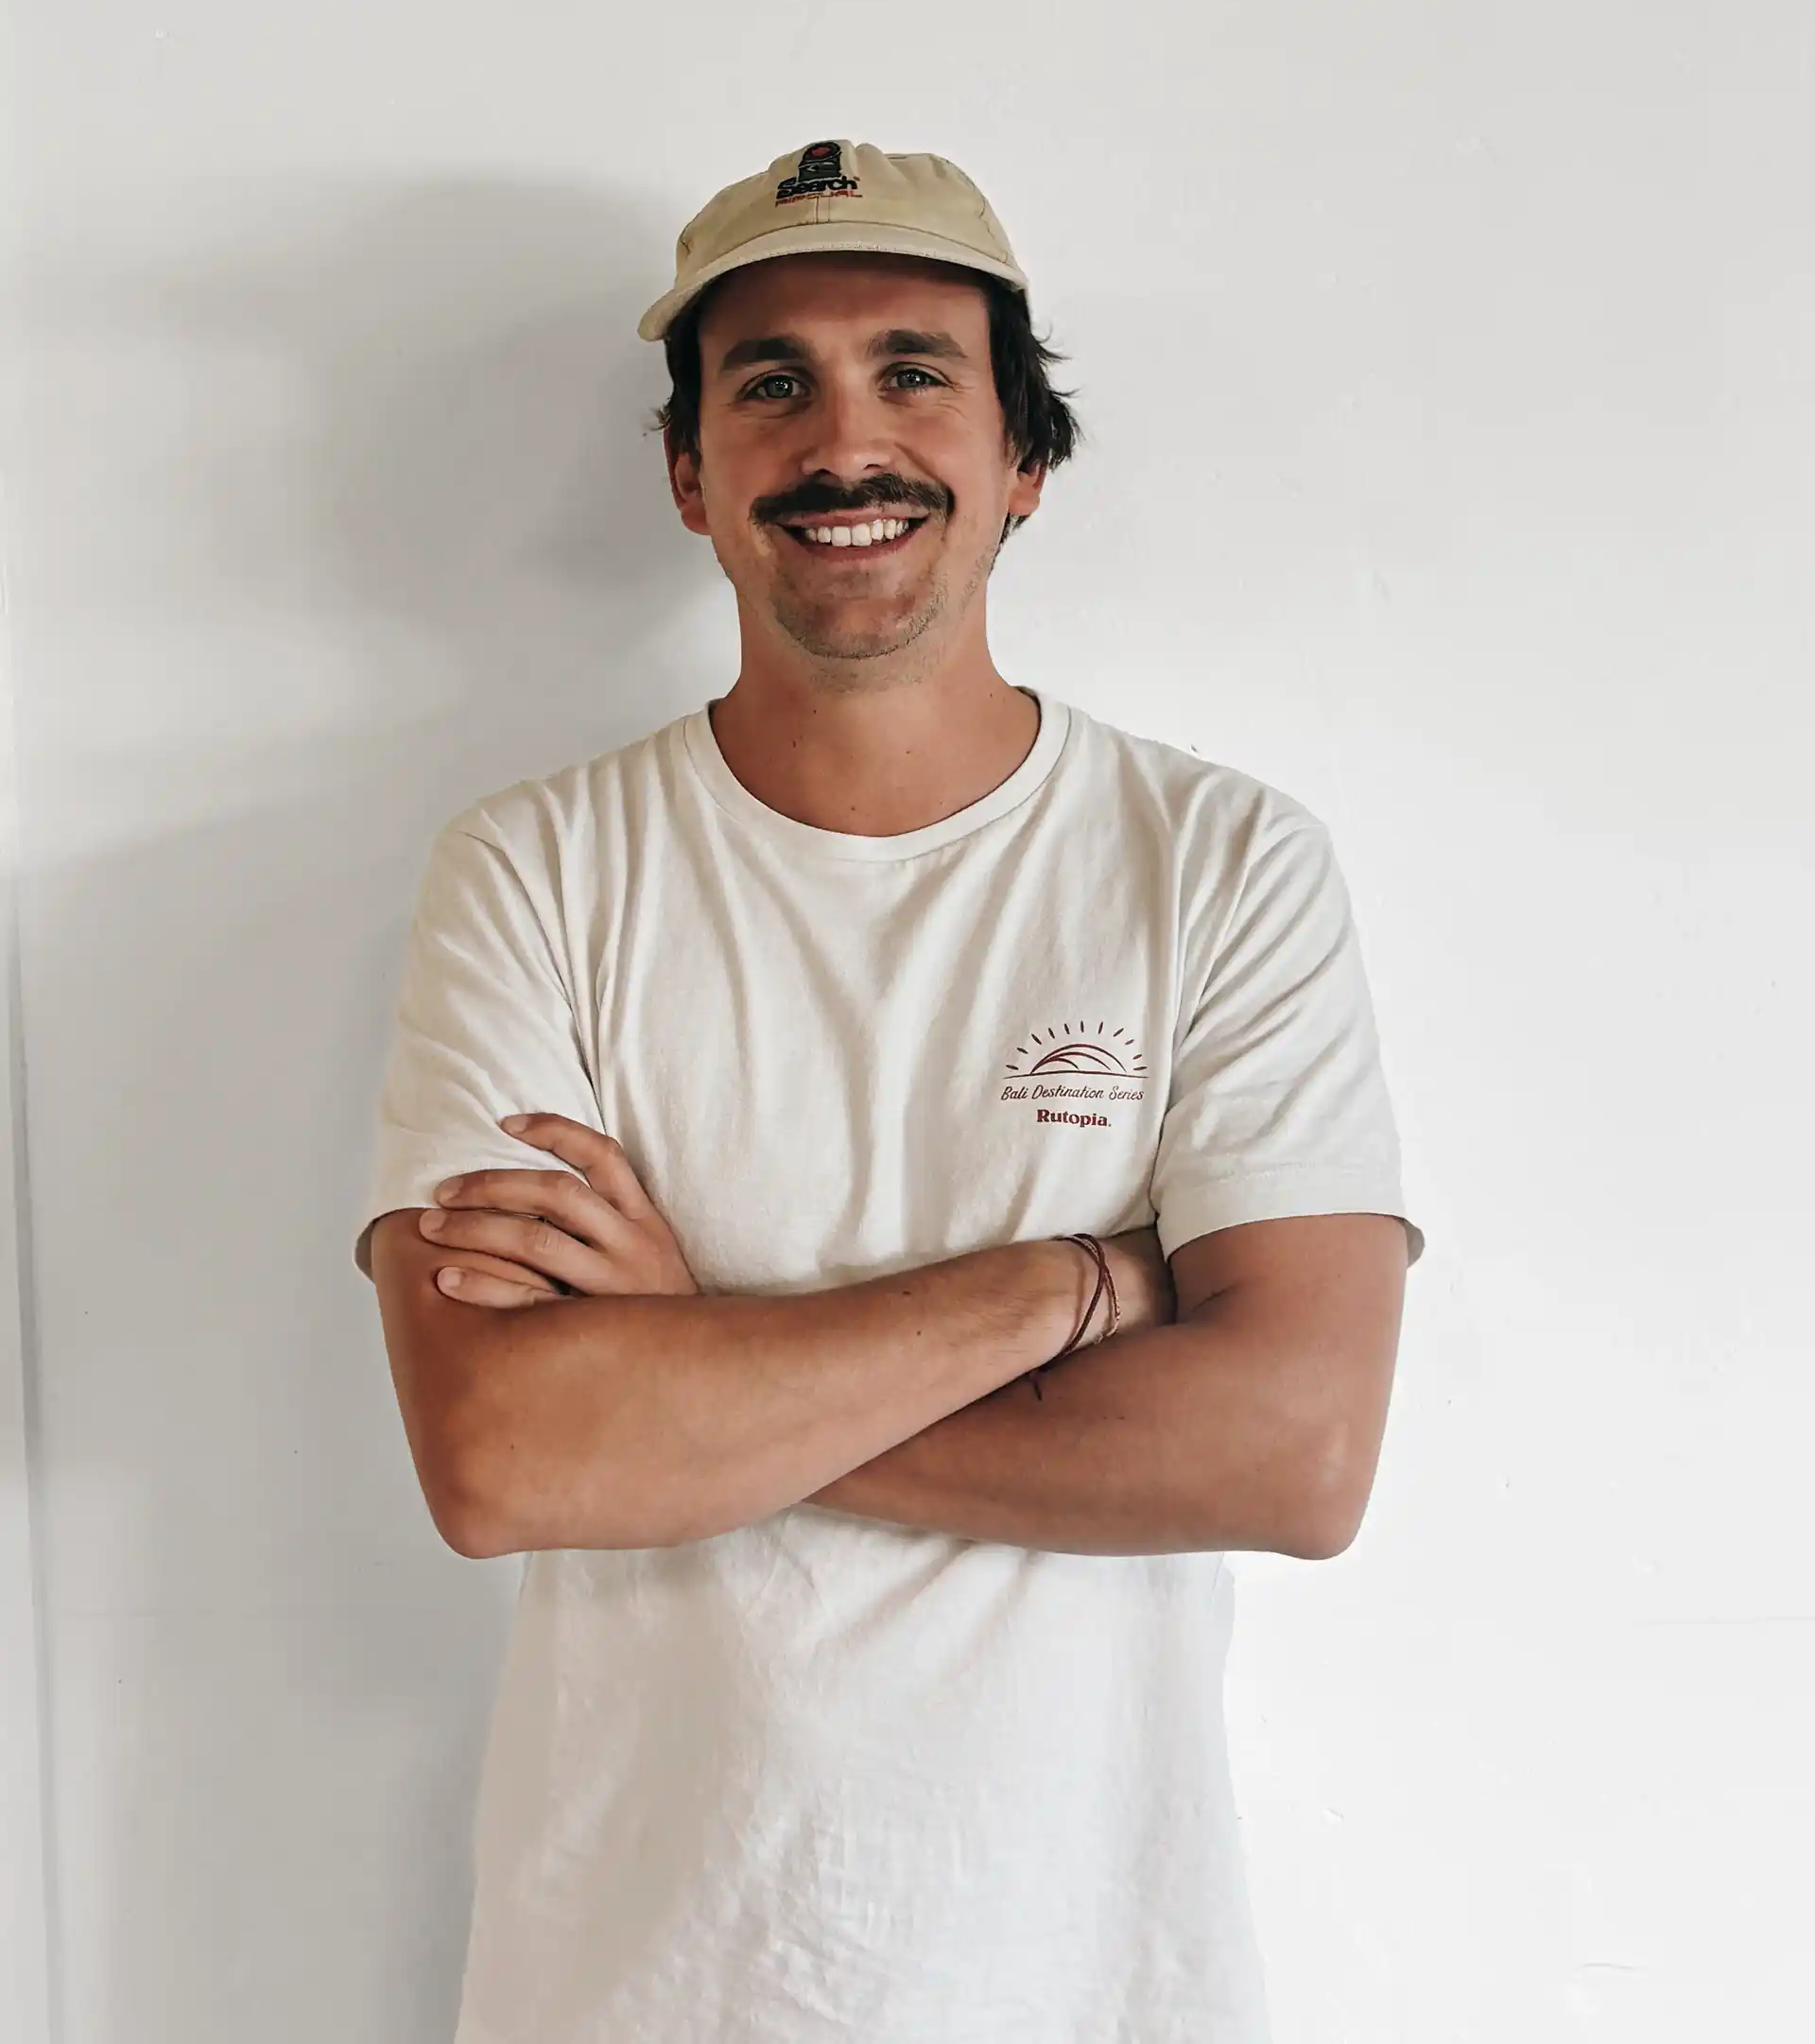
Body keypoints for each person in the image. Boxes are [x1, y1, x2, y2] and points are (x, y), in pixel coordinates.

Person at [356, 136, 1425, 2044]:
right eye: (771, 382)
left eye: (913, 371)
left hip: (1092, 1978)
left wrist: (685, 1361)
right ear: (691, 474)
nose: (845, 439)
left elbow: (1294, 1452)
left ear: (1025, 457)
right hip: (635, 1984)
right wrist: (1073, 1287)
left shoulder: (1219, 863)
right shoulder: (534, 871)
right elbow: (506, 1459)